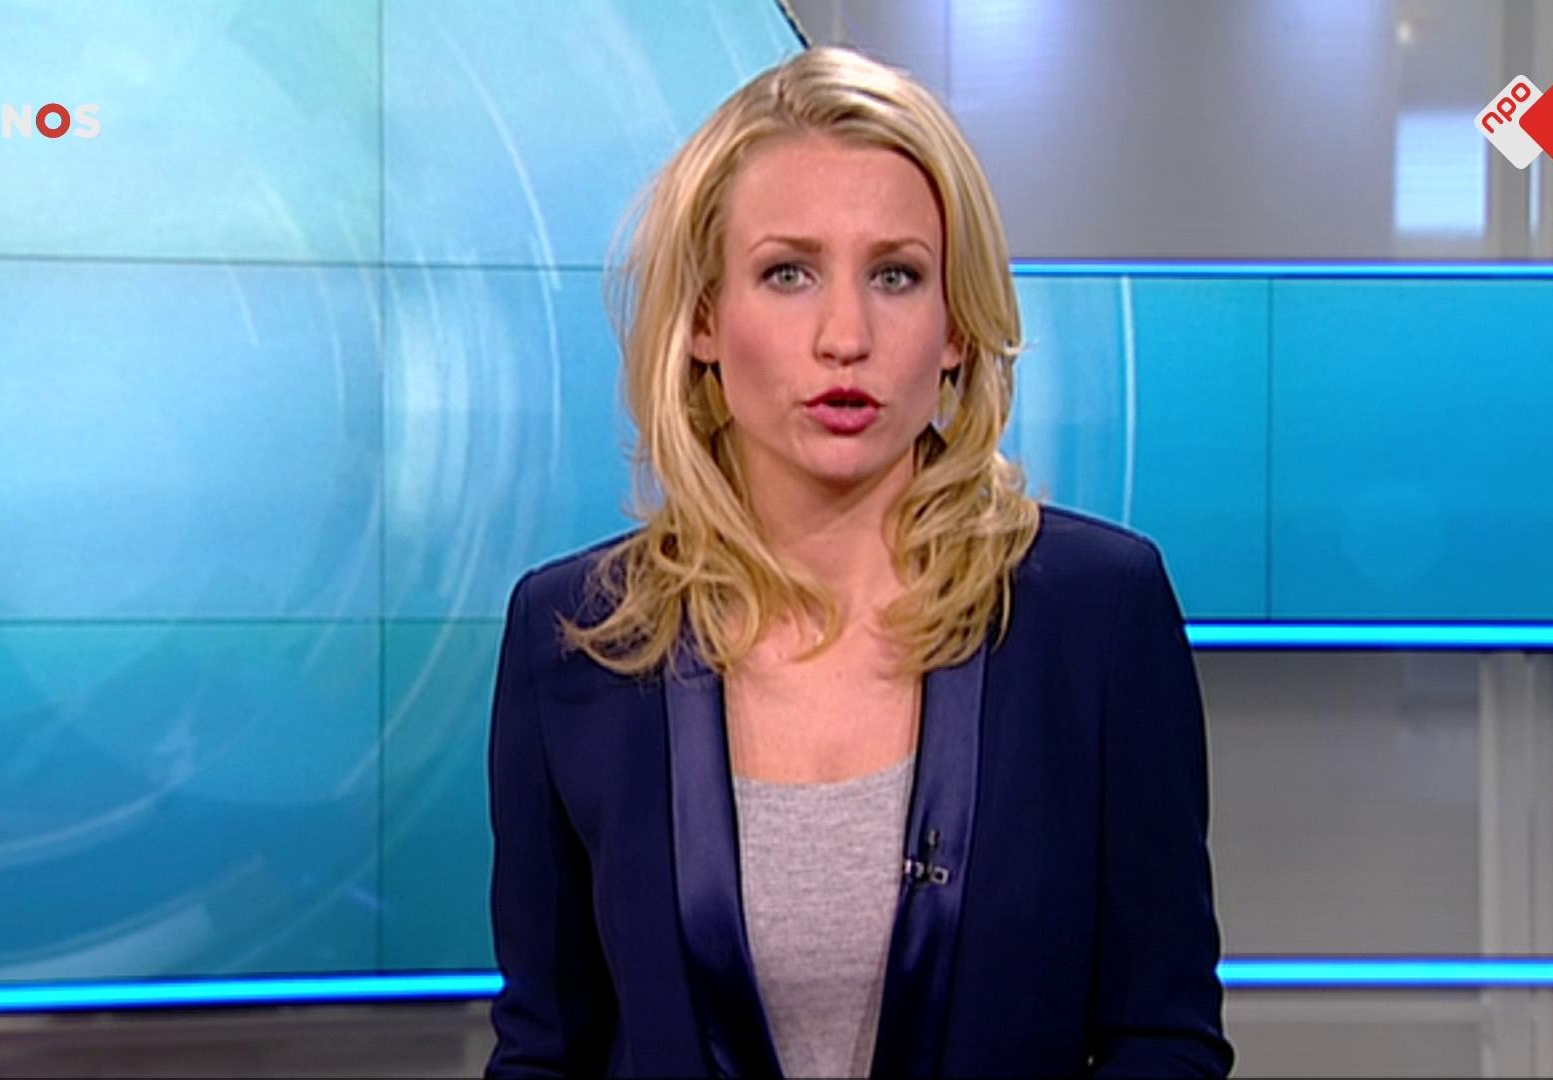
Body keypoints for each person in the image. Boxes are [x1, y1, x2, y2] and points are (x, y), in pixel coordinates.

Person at [484, 45, 1232, 1079]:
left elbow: (1164, 1039)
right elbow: (546, 1050)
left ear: (957, 326)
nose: (847, 335)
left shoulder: (1096, 617)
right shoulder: (575, 638)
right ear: (703, 320)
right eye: (788, 274)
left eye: (897, 275)